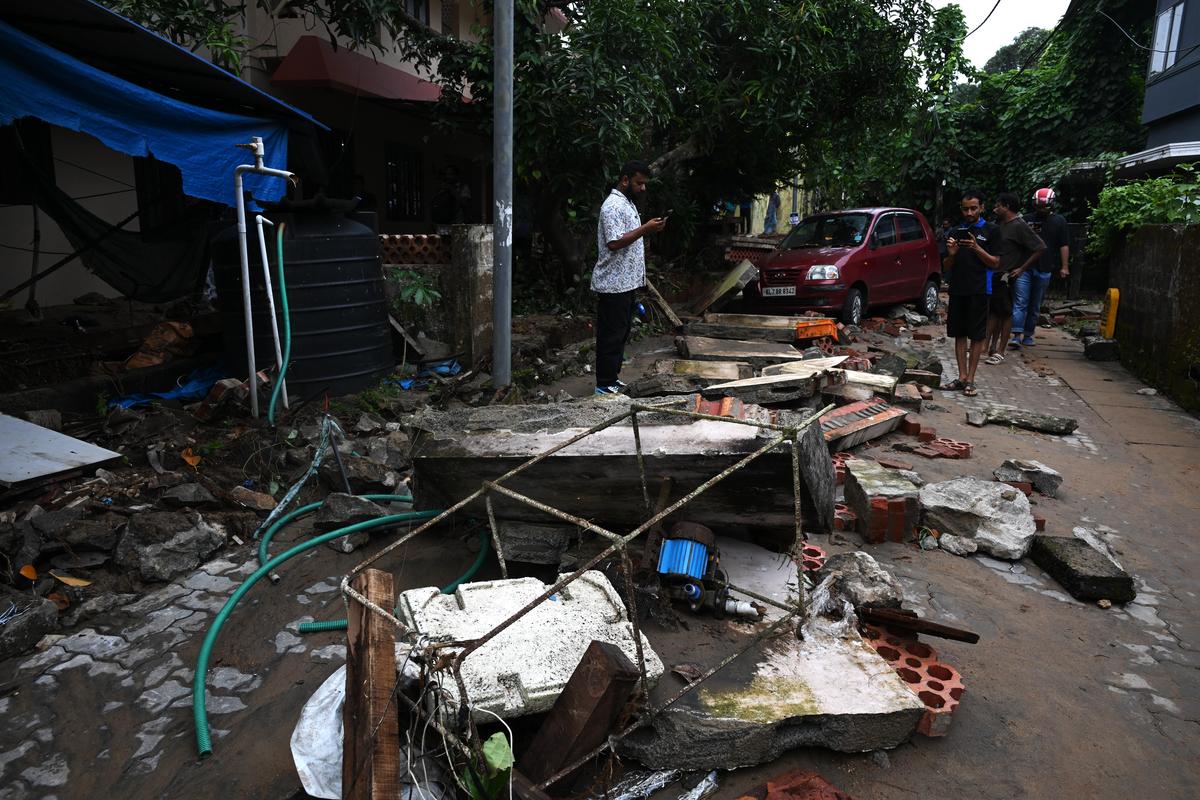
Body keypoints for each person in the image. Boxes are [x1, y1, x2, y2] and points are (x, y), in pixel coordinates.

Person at [592, 160, 666, 395]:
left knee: (621, 333)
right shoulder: (613, 206)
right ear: (625, 180)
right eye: (639, 183)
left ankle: (611, 380)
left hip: (625, 283)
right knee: (611, 336)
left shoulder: (627, 203)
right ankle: (604, 384)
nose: (643, 188)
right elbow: (614, 242)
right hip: (613, 284)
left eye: (644, 184)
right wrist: (645, 229)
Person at [942, 190, 1001, 397]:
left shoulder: (992, 231)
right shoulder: (955, 232)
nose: (969, 212)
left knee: (977, 335)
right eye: (966, 208)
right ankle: (961, 376)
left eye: (973, 208)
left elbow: (995, 262)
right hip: (958, 288)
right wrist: (952, 254)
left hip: (980, 289)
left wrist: (976, 248)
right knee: (959, 333)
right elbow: (946, 266)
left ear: (981, 208)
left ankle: (972, 379)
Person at [983, 193, 1045, 365]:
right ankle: (990, 347)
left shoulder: (1019, 225)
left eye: (998, 205)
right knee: (994, 312)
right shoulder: (1000, 224)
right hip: (995, 273)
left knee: (1006, 312)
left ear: (1007, 206)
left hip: (1006, 276)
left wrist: (1021, 268)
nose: (995, 209)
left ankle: (1001, 351)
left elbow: (1039, 247)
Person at [1015, 188, 1071, 347]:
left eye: (1045, 206)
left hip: (1044, 267)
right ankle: (1016, 334)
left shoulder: (1059, 221)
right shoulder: (1025, 220)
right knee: (1021, 301)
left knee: (1035, 305)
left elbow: (1063, 245)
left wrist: (1064, 266)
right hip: (1024, 267)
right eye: (1039, 206)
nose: (1042, 209)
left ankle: (1028, 335)